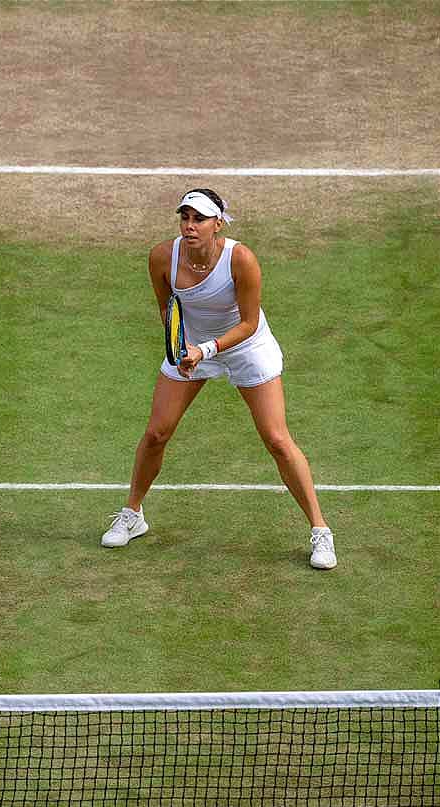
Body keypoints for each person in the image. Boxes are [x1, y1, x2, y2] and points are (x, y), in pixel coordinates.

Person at [101, 188, 336, 570]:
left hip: (246, 347)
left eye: (199, 219)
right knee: (156, 433)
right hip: (192, 349)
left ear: (218, 224)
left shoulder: (241, 259)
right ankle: (133, 514)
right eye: (185, 218)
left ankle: (320, 531)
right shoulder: (162, 256)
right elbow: (167, 309)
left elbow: (249, 322)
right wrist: (181, 346)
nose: (190, 226)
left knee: (277, 440)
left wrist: (205, 350)